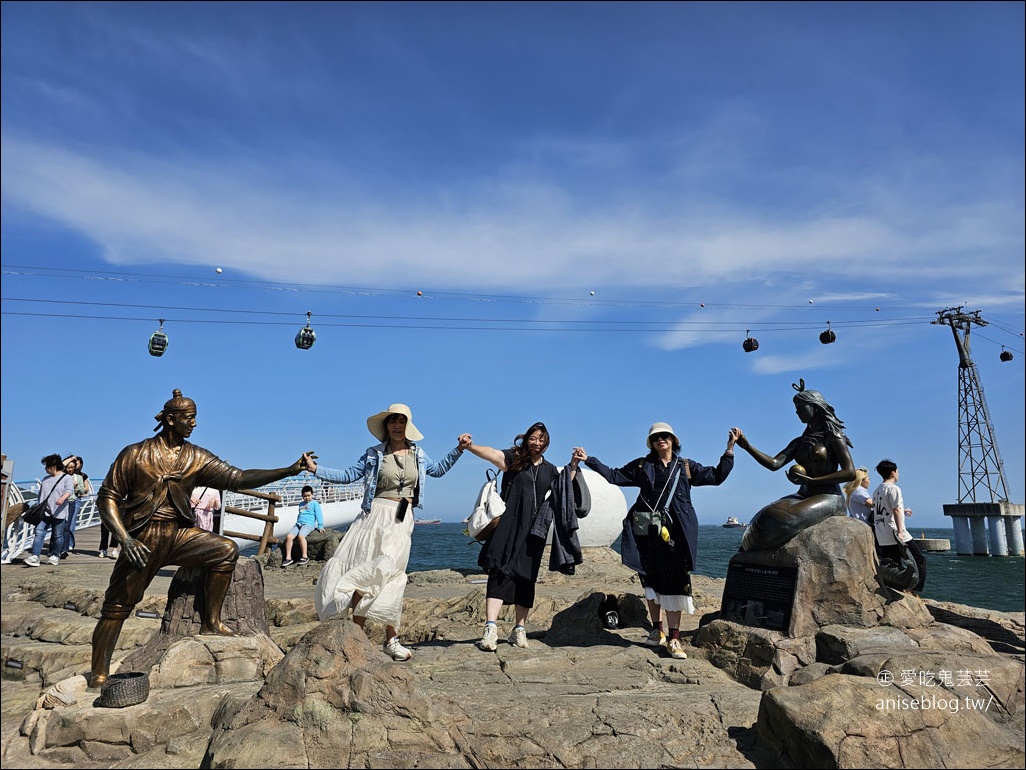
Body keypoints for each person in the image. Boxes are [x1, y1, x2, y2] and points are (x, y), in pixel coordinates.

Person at [88, 388, 315, 689]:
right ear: (170, 420)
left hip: (179, 534)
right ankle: (99, 672)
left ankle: (211, 622)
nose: (194, 424)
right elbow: (107, 498)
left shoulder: (195, 457)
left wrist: (287, 470)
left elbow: (238, 477)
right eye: (189, 418)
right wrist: (124, 539)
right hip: (142, 537)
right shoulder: (135, 453)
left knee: (225, 550)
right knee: (117, 606)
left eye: (195, 418)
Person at [309, 403, 471, 661]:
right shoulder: (374, 453)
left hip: (402, 517)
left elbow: (438, 470)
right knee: (368, 572)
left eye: (401, 421)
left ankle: (390, 639)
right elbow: (349, 474)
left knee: (392, 575)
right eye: (392, 421)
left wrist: (459, 450)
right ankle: (357, 637)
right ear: (386, 426)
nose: (397, 425)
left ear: (408, 426)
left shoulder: (417, 453)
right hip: (373, 516)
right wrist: (317, 470)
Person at [576, 423, 739, 660]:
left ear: (673, 440)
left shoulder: (685, 466)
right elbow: (614, 475)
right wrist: (589, 459)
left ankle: (674, 638)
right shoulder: (644, 465)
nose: (661, 440)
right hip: (647, 533)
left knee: (675, 584)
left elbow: (716, 476)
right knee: (650, 582)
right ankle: (657, 630)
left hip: (676, 534)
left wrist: (729, 450)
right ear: (651, 442)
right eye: (656, 437)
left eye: (665, 436)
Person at [465, 422, 588, 652]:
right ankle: (490, 628)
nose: (537, 443)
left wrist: (574, 464)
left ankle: (519, 629)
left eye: (542, 439)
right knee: (499, 572)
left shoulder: (550, 469)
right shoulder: (514, 459)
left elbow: (565, 485)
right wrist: (470, 447)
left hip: (534, 532)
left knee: (526, 579)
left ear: (547, 443)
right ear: (526, 439)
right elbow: (492, 454)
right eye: (533, 438)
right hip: (508, 526)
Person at [735, 380, 856, 552]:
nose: (797, 412)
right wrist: (748, 447)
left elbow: (849, 472)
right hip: (803, 494)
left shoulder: (833, 436)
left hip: (829, 496)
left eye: (800, 407)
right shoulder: (800, 441)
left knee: (783, 518)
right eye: (796, 409)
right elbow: (774, 463)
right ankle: (752, 553)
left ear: (814, 407)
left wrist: (812, 481)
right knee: (763, 516)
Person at [871, 459, 927, 593]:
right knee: (920, 560)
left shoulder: (876, 491)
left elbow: (884, 509)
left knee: (894, 564)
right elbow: (895, 509)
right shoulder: (894, 489)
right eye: (897, 471)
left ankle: (897, 588)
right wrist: (901, 530)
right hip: (896, 533)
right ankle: (915, 589)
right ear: (893, 473)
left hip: (882, 534)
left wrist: (904, 511)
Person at [24, 454, 75, 567]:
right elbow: (41, 496)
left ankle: (55, 555)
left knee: (57, 535)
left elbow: (69, 491)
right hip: (44, 512)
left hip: (59, 512)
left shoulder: (66, 478)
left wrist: (62, 499)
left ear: (54, 466)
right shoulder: (45, 479)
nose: (45, 469)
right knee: (39, 532)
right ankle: (35, 556)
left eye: (47, 466)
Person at [282, 485, 323, 566]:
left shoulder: (315, 503)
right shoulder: (301, 504)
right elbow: (301, 514)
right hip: (298, 524)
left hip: (308, 524)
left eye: (308, 496)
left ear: (312, 495)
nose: (307, 498)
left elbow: (319, 515)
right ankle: (288, 558)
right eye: (304, 496)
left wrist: (320, 526)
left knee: (301, 536)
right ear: (302, 496)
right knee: (289, 537)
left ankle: (305, 556)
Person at [61, 455, 91, 557]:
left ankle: (69, 544)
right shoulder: (63, 474)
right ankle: (63, 544)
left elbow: (86, 489)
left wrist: (77, 488)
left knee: (71, 522)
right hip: (64, 500)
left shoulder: (82, 476)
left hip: (75, 498)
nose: (75, 465)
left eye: (77, 463)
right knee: (63, 523)